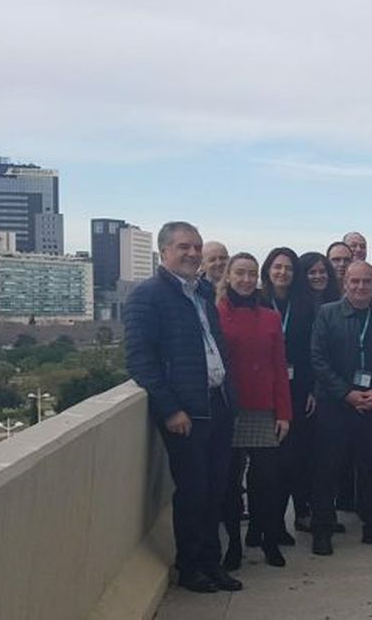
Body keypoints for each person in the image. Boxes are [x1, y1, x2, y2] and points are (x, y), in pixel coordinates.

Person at [125, 222, 242, 594]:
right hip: (186, 413)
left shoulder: (203, 292)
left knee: (217, 490)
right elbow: (140, 360)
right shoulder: (148, 295)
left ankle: (213, 562)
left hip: (219, 405)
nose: (192, 254)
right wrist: (170, 409)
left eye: (196, 247)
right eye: (183, 247)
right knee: (193, 493)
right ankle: (190, 567)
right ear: (164, 253)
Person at [308, 261, 372, 554]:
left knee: (371, 468)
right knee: (327, 470)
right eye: (355, 282)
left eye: (367, 281)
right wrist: (347, 393)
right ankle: (322, 529)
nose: (361, 287)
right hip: (336, 406)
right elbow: (318, 359)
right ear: (345, 284)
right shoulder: (327, 314)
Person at [216, 253, 293, 570]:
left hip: (264, 408)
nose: (246, 280)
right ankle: (233, 544)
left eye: (251, 274)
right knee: (230, 484)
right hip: (229, 407)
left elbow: (279, 366)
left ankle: (269, 540)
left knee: (267, 481)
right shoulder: (216, 313)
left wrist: (284, 413)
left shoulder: (270, 316)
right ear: (228, 276)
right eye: (240, 273)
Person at [262, 248, 321, 534]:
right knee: (271, 461)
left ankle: (302, 511)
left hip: (299, 389)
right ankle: (268, 523)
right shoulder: (258, 302)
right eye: (277, 267)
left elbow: (314, 351)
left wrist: (312, 388)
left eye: (288, 268)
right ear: (268, 270)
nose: (282, 273)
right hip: (265, 389)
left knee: (300, 456)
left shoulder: (306, 304)